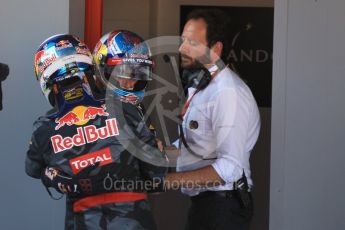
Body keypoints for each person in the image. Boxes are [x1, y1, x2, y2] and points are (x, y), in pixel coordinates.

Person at [25, 33, 168, 230]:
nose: (130, 83)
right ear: (90, 72)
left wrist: (55, 176)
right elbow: (157, 179)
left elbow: (32, 169)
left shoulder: (43, 128)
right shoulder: (127, 109)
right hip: (134, 221)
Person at [163, 9, 261, 230]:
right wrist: (162, 155)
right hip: (207, 207)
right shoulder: (202, 85)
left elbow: (230, 168)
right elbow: (198, 144)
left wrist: (165, 181)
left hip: (223, 209)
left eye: (192, 43)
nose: (181, 49)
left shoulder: (228, 93)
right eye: (182, 41)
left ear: (216, 49)